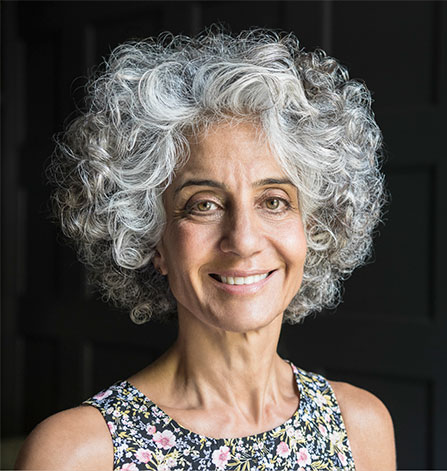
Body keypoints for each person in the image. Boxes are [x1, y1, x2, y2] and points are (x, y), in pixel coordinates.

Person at [15, 28, 395, 470]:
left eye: (274, 201)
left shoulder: (360, 427)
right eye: (204, 205)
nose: (244, 240)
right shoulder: (76, 454)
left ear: (312, 228)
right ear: (151, 238)